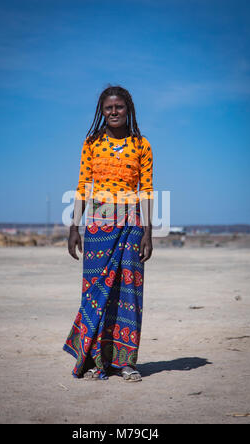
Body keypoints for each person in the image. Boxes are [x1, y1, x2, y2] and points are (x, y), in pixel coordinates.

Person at [64, 85, 154, 382]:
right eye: (108, 108)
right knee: (96, 292)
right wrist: (73, 227)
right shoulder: (91, 143)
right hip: (98, 226)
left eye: (119, 107)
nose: (113, 112)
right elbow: (82, 187)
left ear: (128, 109)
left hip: (132, 226)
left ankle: (126, 363)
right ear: (102, 112)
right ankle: (94, 361)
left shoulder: (142, 144)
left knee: (130, 291)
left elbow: (147, 190)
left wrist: (148, 232)